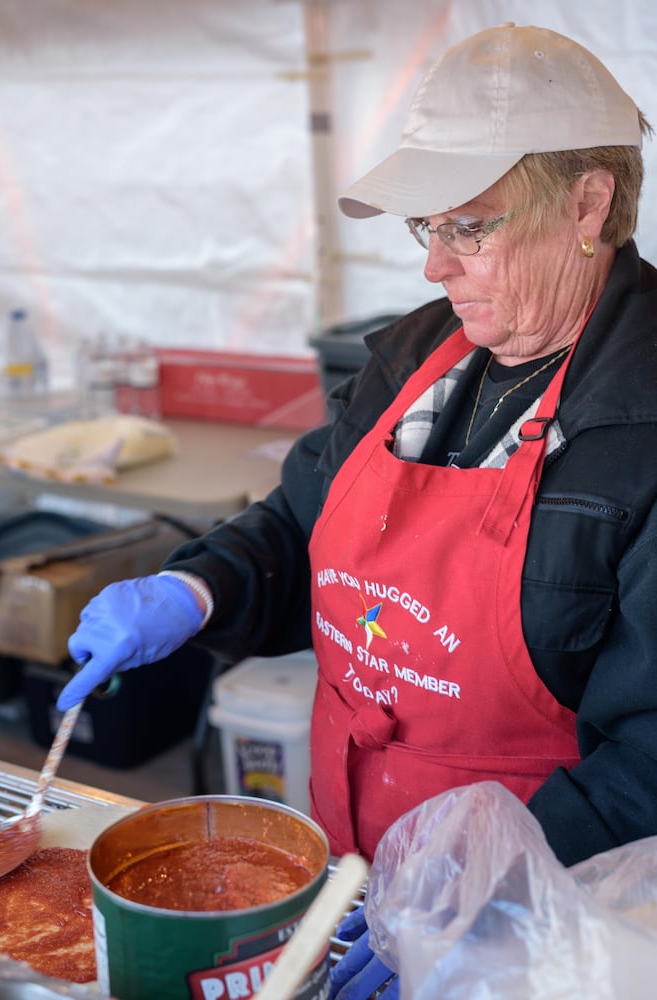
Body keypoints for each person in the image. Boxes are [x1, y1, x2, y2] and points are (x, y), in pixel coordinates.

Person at [58, 19, 656, 967]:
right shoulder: (413, 355)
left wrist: (488, 898)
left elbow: (652, 754)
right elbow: (301, 525)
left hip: (547, 921)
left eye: (470, 226)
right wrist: (196, 587)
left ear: (589, 204)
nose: (434, 265)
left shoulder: (643, 417)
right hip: (352, 864)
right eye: (431, 228)